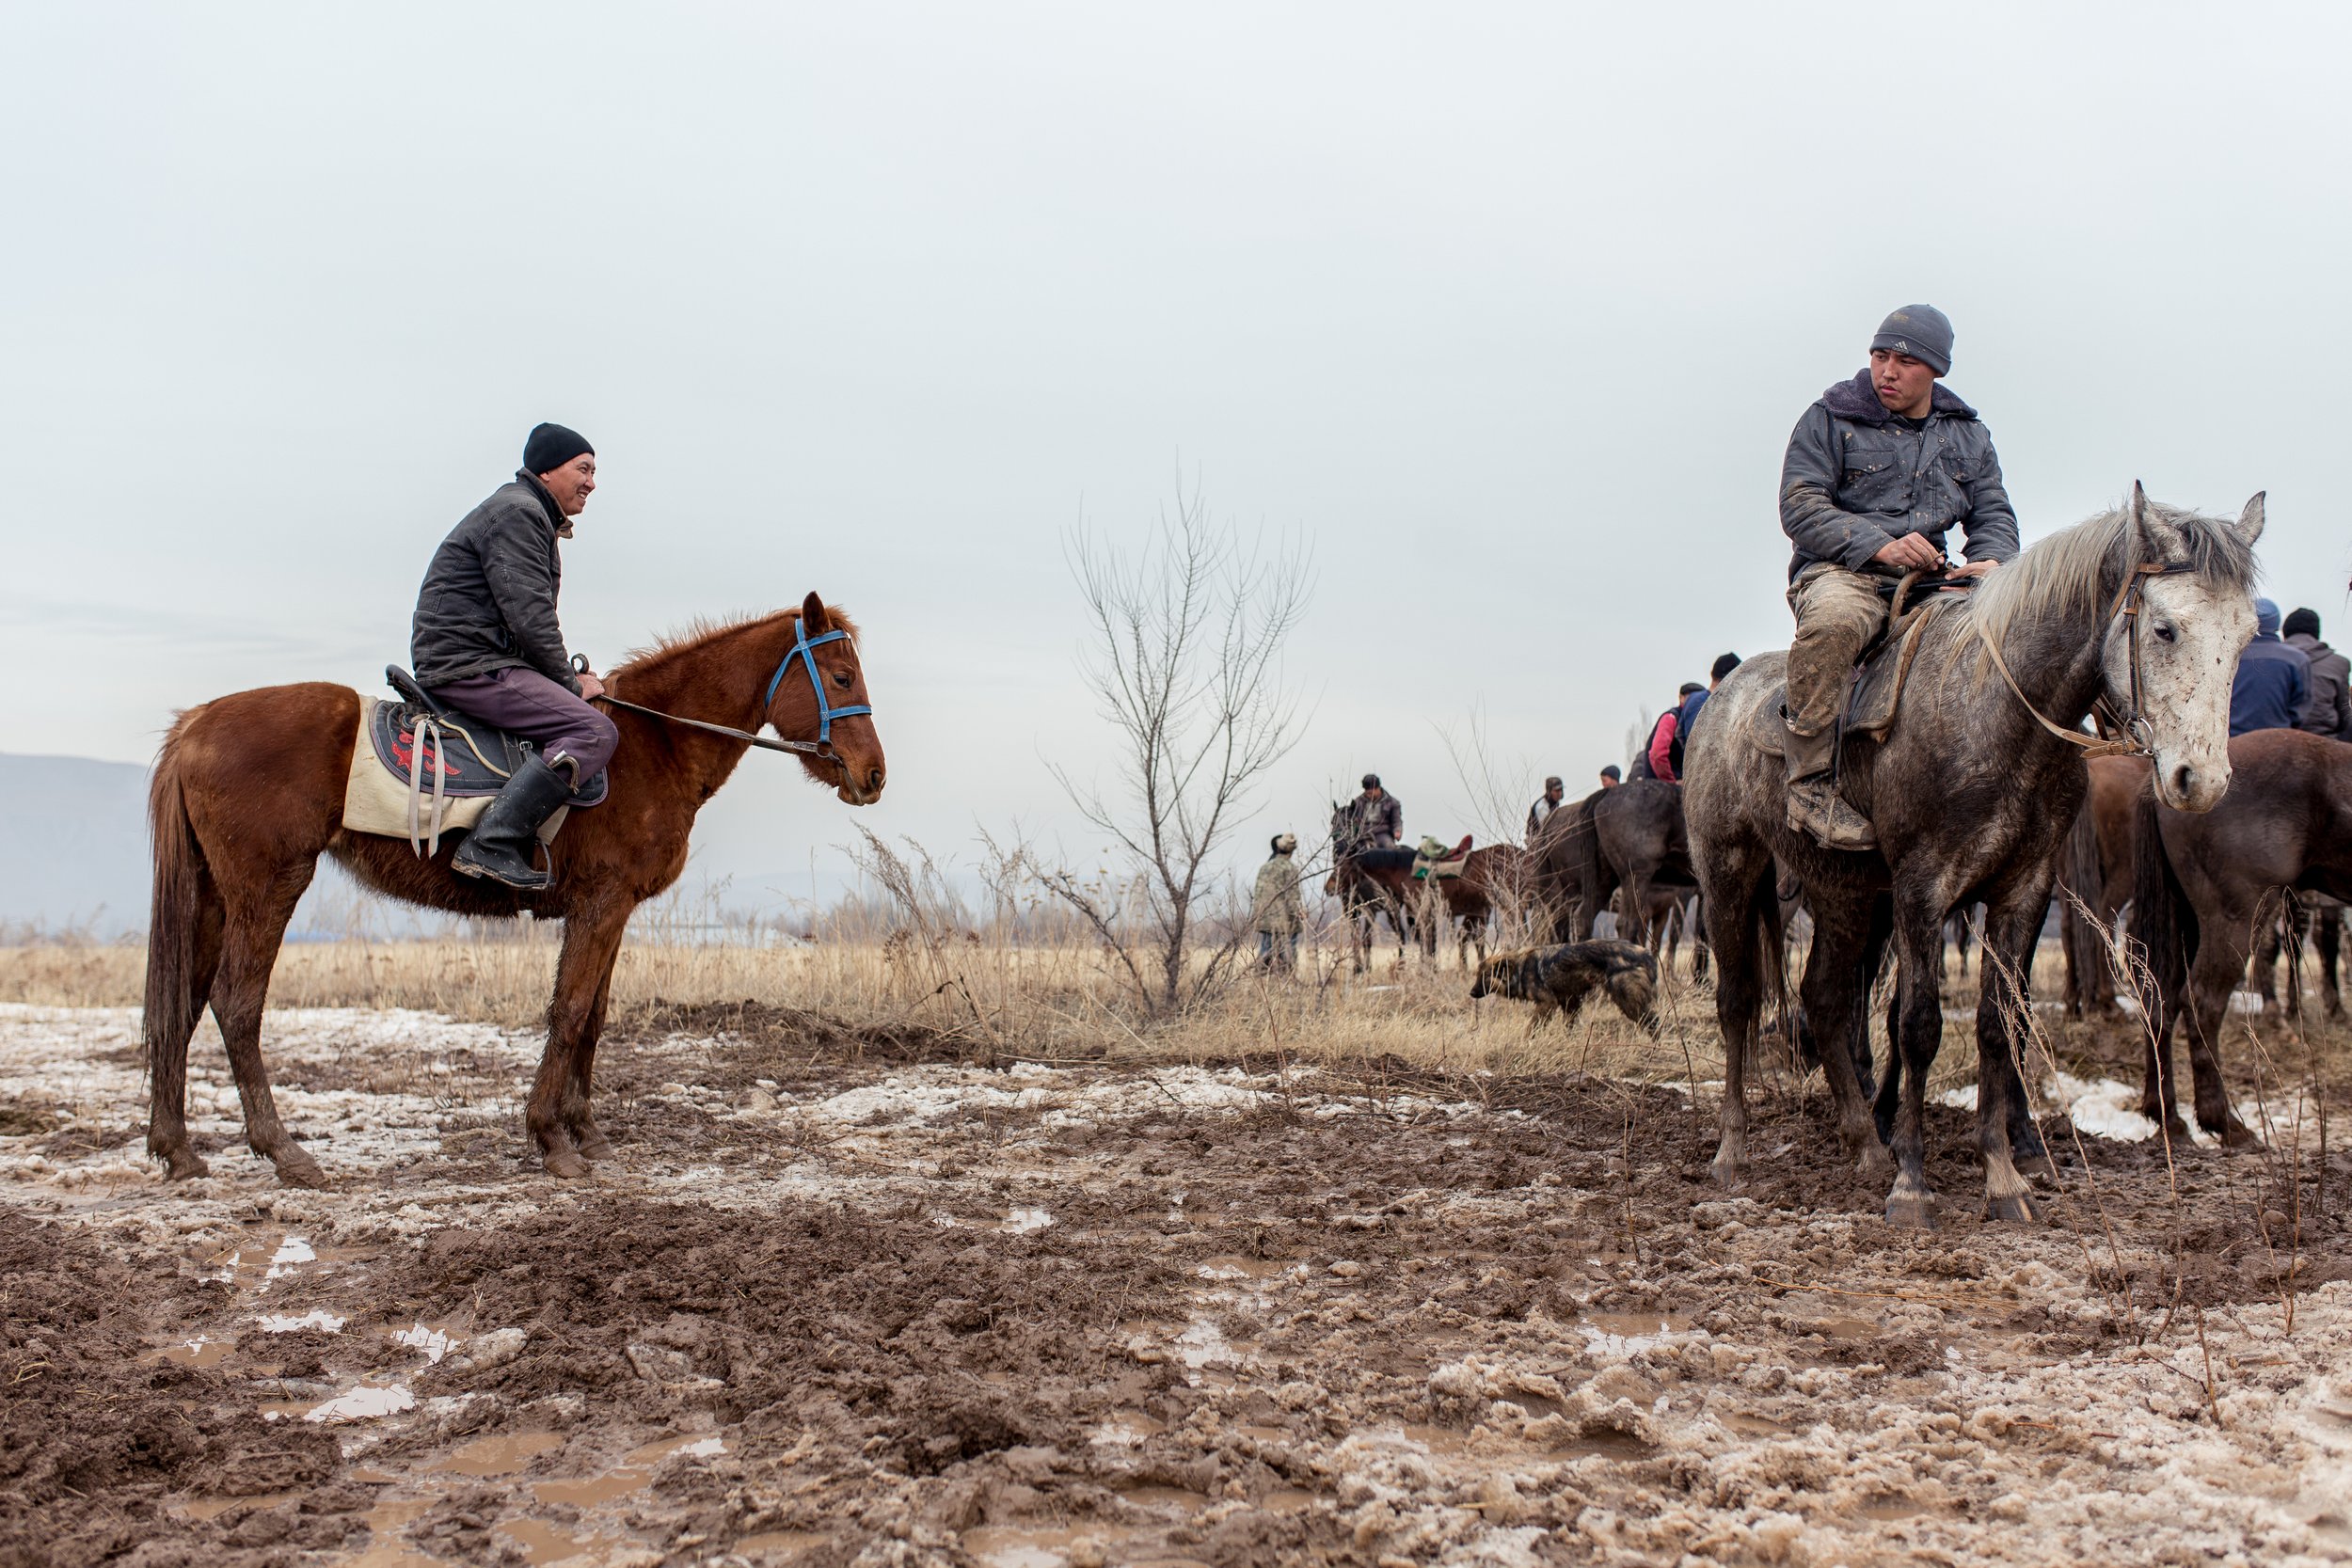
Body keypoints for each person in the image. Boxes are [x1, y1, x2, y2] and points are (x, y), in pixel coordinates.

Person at [1777, 305, 2020, 849]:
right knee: (1835, 625)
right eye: (1880, 356)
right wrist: (1881, 546)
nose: (1887, 370)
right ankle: (1810, 783)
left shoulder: (1969, 436)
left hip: (1935, 581)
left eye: (1904, 361)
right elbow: (1800, 504)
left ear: (1935, 370)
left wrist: (1993, 563)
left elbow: (1994, 516)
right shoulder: (1831, 416)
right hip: (1845, 574)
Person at [410, 422, 619, 889]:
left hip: (478, 656)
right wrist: (569, 683)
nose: (592, 482)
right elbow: (531, 618)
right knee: (593, 730)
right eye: (583, 469)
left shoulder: (525, 512)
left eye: (594, 471)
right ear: (547, 471)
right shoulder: (520, 514)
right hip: (469, 664)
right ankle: (492, 843)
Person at [2230, 599, 2311, 736]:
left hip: (2231, 742)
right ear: (2277, 623)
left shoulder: (2228, 657)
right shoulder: (2298, 659)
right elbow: (2299, 713)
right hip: (2279, 739)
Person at [2283, 608, 2352, 741]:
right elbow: (2344, 715)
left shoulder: (2274, 660)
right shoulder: (2340, 663)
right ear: (2316, 633)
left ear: (2285, 633)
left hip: (2279, 735)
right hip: (2325, 737)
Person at [1671, 653, 1741, 776]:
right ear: (1729, 678)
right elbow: (1700, 745)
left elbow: (1682, 735)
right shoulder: (1703, 703)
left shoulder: (1697, 699)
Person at [1252, 833, 1307, 973]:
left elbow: (1258, 894)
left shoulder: (1265, 867)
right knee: (1288, 950)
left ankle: (1261, 979)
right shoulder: (1289, 868)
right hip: (1285, 920)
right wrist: (1299, 912)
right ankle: (1287, 980)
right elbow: (1293, 896)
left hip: (1264, 917)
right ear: (1291, 850)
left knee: (1265, 949)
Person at [1631, 684, 1705, 783]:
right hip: (1660, 789)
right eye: (1691, 698)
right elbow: (1657, 754)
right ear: (1681, 698)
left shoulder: (1694, 722)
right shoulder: (1671, 718)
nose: (1695, 702)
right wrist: (1672, 782)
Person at [1342, 773, 1403, 849]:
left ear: (1378, 788)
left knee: (1390, 848)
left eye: (1371, 793)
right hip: (1362, 834)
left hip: (1382, 833)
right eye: (1367, 793)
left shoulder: (1392, 802)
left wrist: (1397, 831)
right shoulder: (1358, 802)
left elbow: (1396, 820)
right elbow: (1352, 817)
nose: (1369, 795)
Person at [1525, 775, 1566, 842]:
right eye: (1556, 791)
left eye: (1561, 790)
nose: (1559, 793)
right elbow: (1547, 827)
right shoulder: (1541, 806)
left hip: (1549, 838)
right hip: (1536, 840)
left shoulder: (1556, 804)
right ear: (1549, 791)